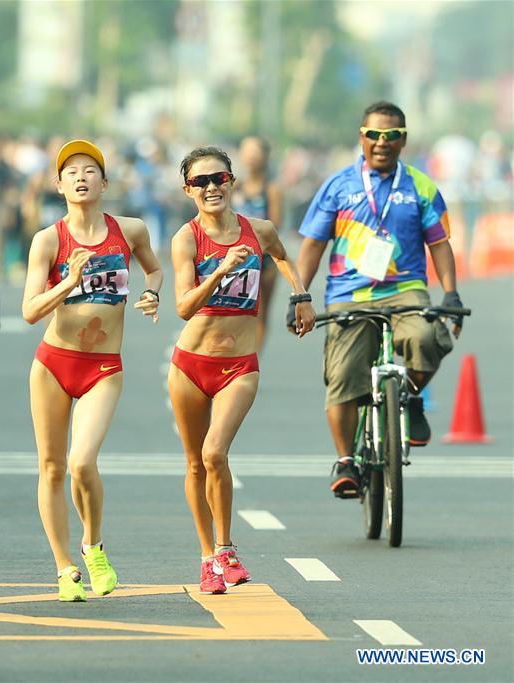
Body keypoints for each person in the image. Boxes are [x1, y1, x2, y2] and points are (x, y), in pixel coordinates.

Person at [292, 101, 462, 497]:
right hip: (349, 294)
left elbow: (439, 245)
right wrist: (300, 295)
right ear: (361, 137)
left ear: (404, 141)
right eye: (374, 135)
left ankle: (410, 396)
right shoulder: (337, 186)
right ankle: (346, 461)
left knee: (424, 339)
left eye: (391, 136)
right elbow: (312, 247)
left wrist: (450, 292)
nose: (381, 143)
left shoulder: (421, 186)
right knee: (344, 375)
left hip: (406, 289)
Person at [168, 146, 314, 595]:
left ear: (231, 181)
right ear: (188, 189)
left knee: (215, 453)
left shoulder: (259, 230)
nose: (210, 188)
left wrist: (300, 294)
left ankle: (227, 546)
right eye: (200, 182)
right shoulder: (187, 239)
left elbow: (283, 255)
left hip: (240, 365)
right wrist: (219, 274)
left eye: (218, 179)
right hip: (191, 365)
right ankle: (208, 557)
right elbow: (183, 306)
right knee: (195, 464)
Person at [22, 140, 163, 602]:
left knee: (82, 462)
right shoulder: (48, 240)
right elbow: (29, 312)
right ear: (58, 185)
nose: (80, 177)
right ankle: (64, 567)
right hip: (53, 364)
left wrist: (152, 293)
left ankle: (93, 546)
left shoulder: (130, 231)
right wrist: (68, 281)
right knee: (52, 467)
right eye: (71, 172)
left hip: (104, 365)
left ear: (105, 182)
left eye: (90, 170)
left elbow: (154, 271)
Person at [233, 136, 283, 352]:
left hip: (264, 261)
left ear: (265, 156)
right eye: (247, 152)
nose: (251, 157)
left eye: (256, 152)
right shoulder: (234, 187)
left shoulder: (271, 190)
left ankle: (253, 361)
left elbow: (274, 225)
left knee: (260, 313)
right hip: (233, 259)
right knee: (234, 313)